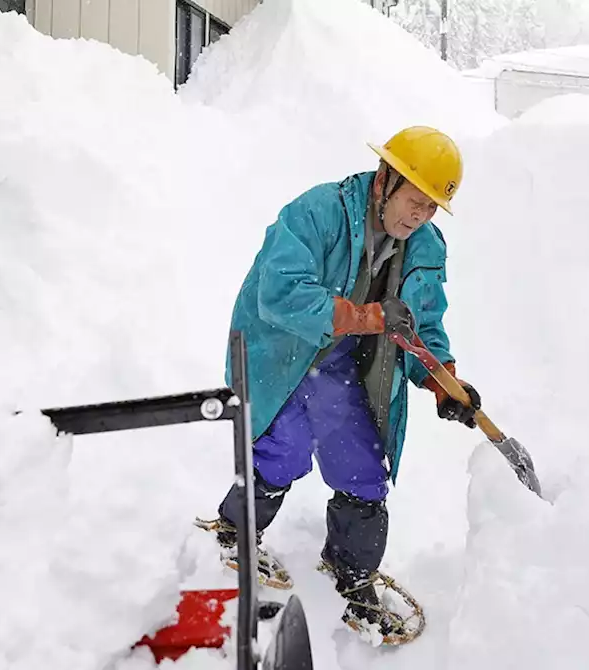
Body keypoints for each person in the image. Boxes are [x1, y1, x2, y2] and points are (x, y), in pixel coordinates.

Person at [205, 126, 483, 642]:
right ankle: (234, 531)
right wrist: (367, 316)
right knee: (280, 451)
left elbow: (422, 325)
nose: (418, 216)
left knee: (362, 467)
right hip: (281, 352)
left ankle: (352, 573)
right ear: (385, 179)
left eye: (429, 209)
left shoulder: (424, 244)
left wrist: (443, 380)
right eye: (413, 201)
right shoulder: (318, 213)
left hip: (341, 367)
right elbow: (280, 292)